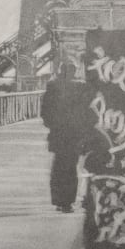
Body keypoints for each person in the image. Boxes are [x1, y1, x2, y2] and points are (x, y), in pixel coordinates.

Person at [41, 61, 87, 212]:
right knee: (71, 168)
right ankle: (68, 202)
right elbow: (85, 111)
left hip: (58, 134)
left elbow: (45, 111)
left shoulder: (53, 86)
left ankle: (59, 200)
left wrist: (52, 125)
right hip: (75, 135)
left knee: (58, 167)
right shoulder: (80, 87)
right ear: (74, 72)